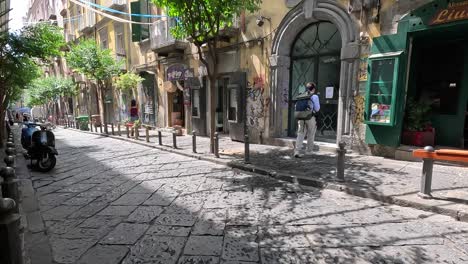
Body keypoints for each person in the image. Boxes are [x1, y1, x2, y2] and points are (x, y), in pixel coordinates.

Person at [294, 82, 320, 158]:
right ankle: (309, 151)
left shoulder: (301, 95)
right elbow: (317, 109)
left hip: (301, 117)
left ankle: (297, 151)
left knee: (300, 134)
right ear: (314, 89)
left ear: (307, 88)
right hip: (310, 117)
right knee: (310, 134)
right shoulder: (314, 96)